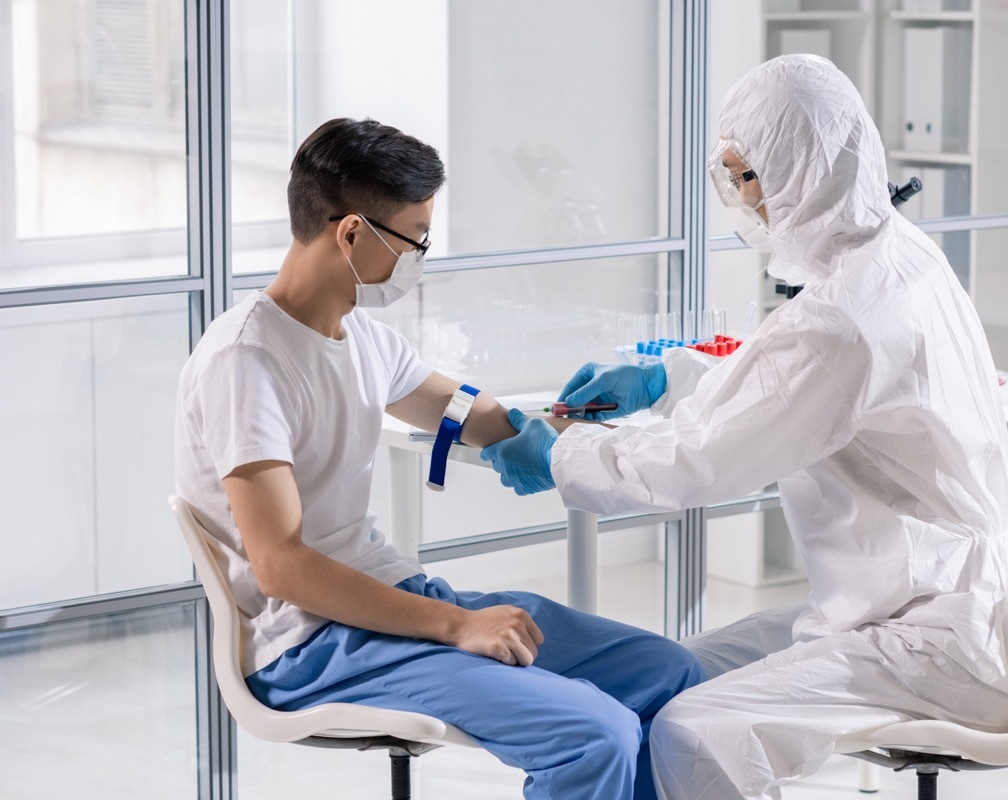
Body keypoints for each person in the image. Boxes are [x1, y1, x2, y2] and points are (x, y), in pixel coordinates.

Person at [479, 55, 1008, 799]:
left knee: (695, 729)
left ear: (810, 170)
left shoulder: (841, 317)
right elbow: (789, 385)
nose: (745, 201)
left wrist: (563, 456)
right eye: (736, 177)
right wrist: (669, 375)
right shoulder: (893, 254)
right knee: (671, 670)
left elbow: (697, 462)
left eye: (751, 177)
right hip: (939, 601)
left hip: (940, 641)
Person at [173, 117, 704, 800]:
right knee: (594, 733)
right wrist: (459, 625)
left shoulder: (355, 333)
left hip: (394, 603)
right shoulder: (247, 362)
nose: (422, 255)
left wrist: (536, 426)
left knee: (667, 673)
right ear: (352, 232)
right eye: (416, 237)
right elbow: (282, 565)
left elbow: (451, 405)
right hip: (313, 644)